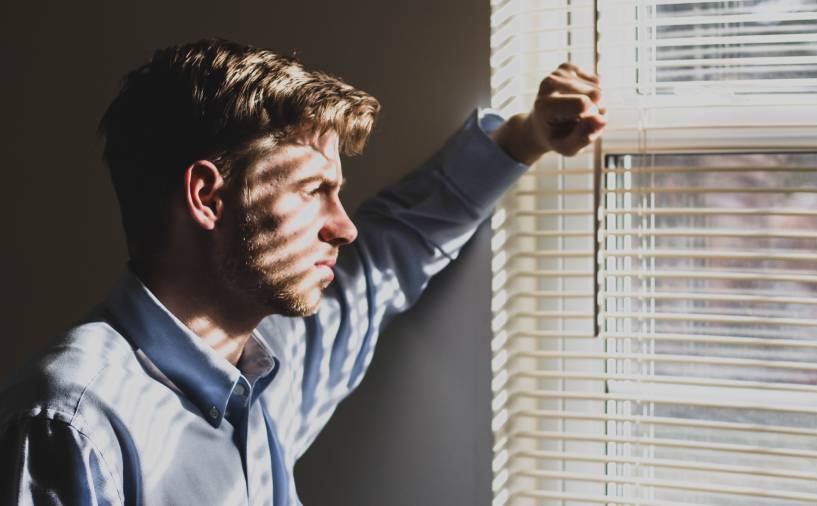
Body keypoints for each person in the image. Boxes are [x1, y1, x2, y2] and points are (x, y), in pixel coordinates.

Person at [0, 39, 605, 505]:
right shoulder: (72, 423)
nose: (343, 226)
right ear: (208, 198)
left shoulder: (269, 364)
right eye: (315, 191)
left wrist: (523, 138)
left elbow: (393, 249)